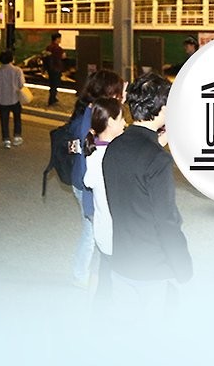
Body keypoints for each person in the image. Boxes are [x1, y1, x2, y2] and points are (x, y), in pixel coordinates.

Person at [103, 72, 192, 315]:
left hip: (121, 261)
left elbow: (138, 161)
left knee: (125, 328)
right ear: (162, 108)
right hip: (151, 267)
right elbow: (166, 220)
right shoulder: (157, 160)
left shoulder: (114, 148)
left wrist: (159, 141)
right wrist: (183, 267)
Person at [66, 70, 126, 289]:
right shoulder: (91, 117)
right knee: (92, 232)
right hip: (86, 185)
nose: (120, 96)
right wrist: (92, 196)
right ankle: (81, 276)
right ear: (107, 92)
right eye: (117, 92)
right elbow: (86, 161)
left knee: (93, 231)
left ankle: (86, 275)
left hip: (82, 181)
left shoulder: (89, 111)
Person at [83, 97, 128, 296]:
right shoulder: (110, 156)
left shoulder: (96, 151)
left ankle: (96, 307)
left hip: (104, 230)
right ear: (110, 122)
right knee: (114, 285)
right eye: (121, 118)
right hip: (115, 234)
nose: (125, 123)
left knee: (104, 276)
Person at [0, 50, 24, 149]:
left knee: (4, 120)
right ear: (11, 59)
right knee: (17, 118)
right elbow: (21, 84)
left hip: (2, 98)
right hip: (14, 97)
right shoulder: (17, 70)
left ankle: (6, 139)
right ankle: (17, 136)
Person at [44, 33, 65, 106]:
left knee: (52, 84)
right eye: (59, 38)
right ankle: (52, 99)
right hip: (56, 68)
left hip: (50, 69)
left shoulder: (48, 47)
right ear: (57, 39)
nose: (60, 40)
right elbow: (63, 56)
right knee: (55, 84)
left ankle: (53, 98)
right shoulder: (58, 48)